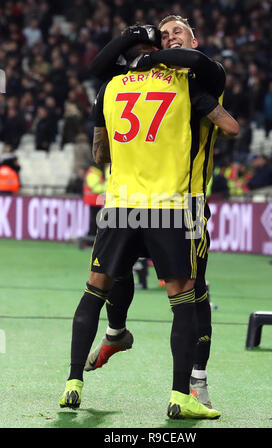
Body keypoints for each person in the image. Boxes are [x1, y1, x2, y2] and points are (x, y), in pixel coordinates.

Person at [59, 25, 238, 420]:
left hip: (164, 203)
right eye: (165, 32)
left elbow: (99, 150)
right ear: (155, 46)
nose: (172, 36)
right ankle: (124, 341)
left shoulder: (190, 79)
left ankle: (196, 380)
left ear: (194, 42)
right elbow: (231, 128)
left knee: (114, 280)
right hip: (172, 204)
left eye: (181, 31)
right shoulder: (177, 88)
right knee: (183, 295)